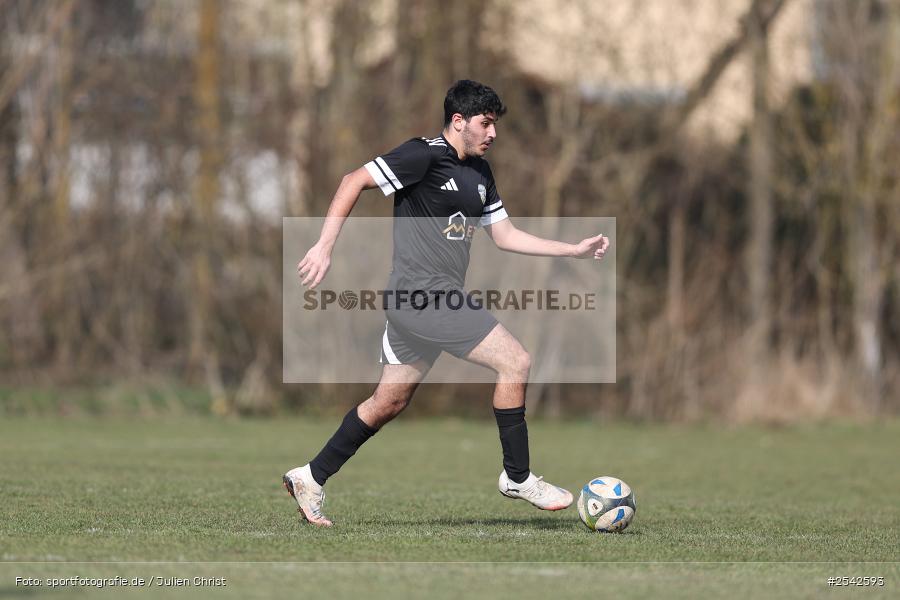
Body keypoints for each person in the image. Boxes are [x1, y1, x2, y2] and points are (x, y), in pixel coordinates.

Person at [284, 80, 609, 526]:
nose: (493, 133)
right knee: (515, 361)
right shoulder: (424, 154)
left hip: (425, 300)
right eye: (486, 123)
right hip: (422, 296)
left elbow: (506, 236)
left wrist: (571, 250)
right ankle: (518, 476)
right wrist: (323, 246)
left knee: (388, 402)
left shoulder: (481, 173)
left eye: (495, 125)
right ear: (459, 122)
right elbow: (353, 180)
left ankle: (310, 476)